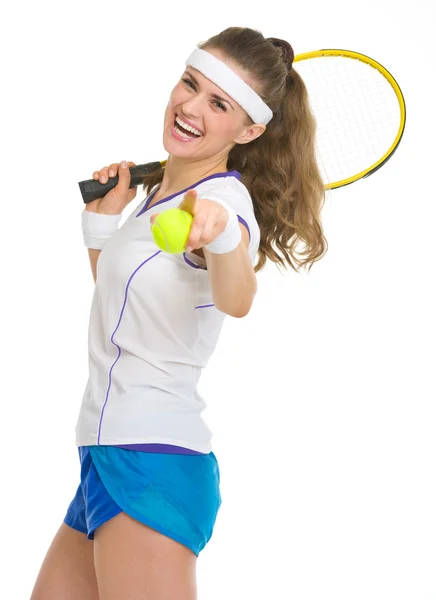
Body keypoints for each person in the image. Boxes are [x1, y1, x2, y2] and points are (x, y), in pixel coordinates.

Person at [30, 26, 327, 600]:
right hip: (105, 449)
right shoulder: (158, 198)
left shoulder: (222, 203)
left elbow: (237, 299)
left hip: (152, 459)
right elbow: (130, 309)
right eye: (190, 84)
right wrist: (101, 228)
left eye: (218, 103)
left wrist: (220, 242)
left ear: (251, 130)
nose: (189, 107)